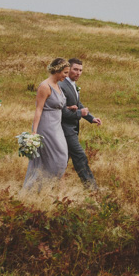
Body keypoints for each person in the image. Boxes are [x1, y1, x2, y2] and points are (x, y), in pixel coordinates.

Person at [22, 57, 70, 189]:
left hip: (57, 126)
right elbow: (38, 109)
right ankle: (37, 188)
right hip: (46, 127)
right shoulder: (45, 86)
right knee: (54, 159)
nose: (66, 76)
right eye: (65, 73)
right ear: (57, 70)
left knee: (62, 158)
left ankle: (48, 187)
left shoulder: (58, 86)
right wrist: (34, 131)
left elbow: (58, 105)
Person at [60, 57, 101, 189]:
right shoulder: (61, 86)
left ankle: (53, 184)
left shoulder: (72, 85)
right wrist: (80, 114)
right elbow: (61, 111)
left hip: (72, 128)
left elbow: (78, 105)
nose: (78, 73)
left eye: (81, 70)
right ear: (68, 69)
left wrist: (91, 118)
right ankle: (91, 188)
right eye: (75, 69)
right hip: (65, 129)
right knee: (80, 156)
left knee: (62, 159)